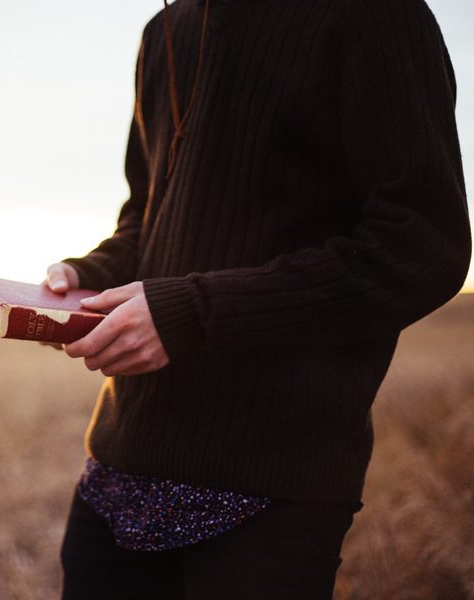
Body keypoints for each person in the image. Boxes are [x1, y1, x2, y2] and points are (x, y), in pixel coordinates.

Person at [44, 0, 471, 598]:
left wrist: (192, 312)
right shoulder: (166, 30)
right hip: (121, 470)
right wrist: (88, 272)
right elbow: (147, 215)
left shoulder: (376, 15)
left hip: (270, 489)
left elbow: (421, 249)